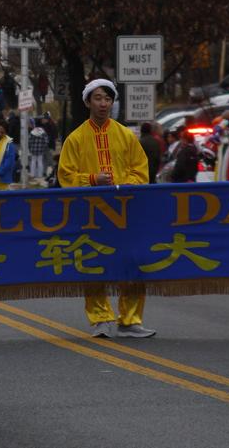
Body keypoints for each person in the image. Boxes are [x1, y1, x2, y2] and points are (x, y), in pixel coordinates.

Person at [57, 79, 154, 339]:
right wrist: (92, 180)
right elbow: (65, 176)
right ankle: (100, 319)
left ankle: (130, 320)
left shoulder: (125, 135)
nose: (103, 104)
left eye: (107, 99)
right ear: (88, 102)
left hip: (125, 213)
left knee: (132, 264)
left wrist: (121, 186)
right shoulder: (75, 138)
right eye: (98, 98)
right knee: (94, 265)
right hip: (90, 213)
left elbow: (140, 170)